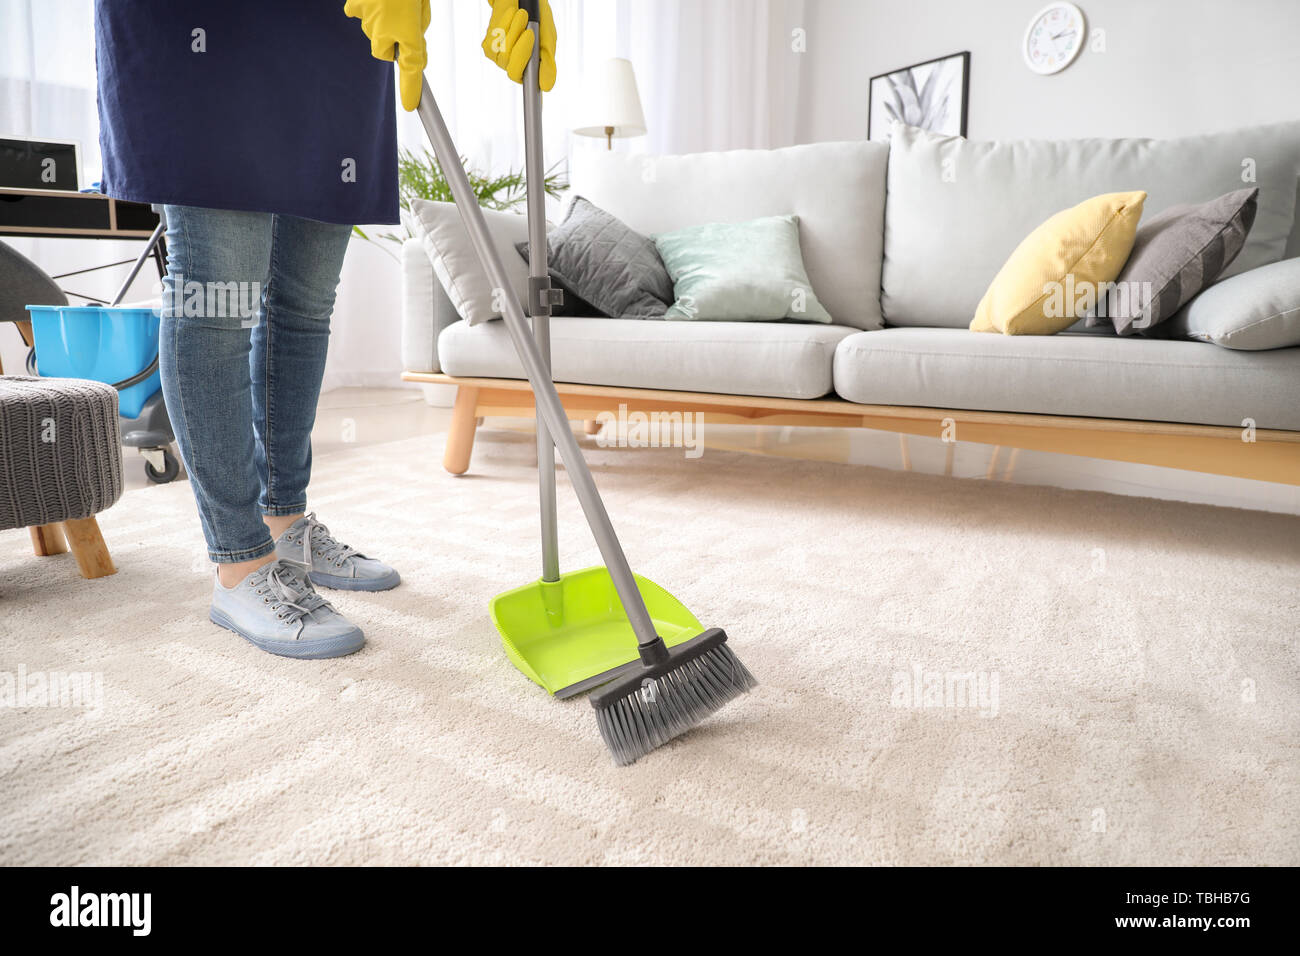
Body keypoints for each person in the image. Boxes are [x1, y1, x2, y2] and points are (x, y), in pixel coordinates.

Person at [94, 0, 556, 659]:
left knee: (305, 302)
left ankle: (286, 524)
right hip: (212, 28)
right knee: (217, 298)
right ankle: (240, 562)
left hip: (340, 28)